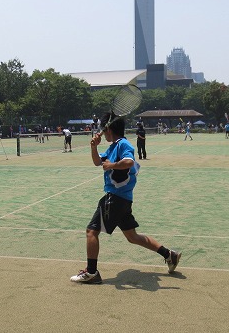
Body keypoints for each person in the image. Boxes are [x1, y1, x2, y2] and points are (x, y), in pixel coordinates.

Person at [70, 112, 181, 284]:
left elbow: (129, 161)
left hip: (114, 198)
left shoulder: (123, 144)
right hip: (122, 199)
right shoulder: (113, 146)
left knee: (91, 231)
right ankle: (169, 255)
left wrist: (112, 165)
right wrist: (93, 146)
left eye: (103, 129)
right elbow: (97, 162)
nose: (102, 132)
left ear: (109, 129)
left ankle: (92, 272)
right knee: (132, 237)